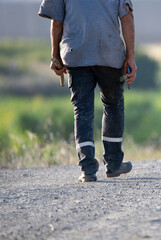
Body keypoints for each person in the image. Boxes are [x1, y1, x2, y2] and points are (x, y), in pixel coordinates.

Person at [38, 0, 137, 182]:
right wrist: (130, 56)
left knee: (82, 110)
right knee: (113, 105)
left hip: (76, 54)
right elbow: (127, 16)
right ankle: (114, 163)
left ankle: (87, 168)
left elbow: (57, 21)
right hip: (109, 53)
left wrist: (55, 55)